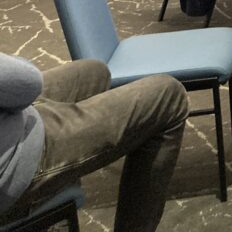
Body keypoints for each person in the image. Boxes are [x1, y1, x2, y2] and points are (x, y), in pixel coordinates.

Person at [0, 54, 189, 231]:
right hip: (17, 162)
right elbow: (29, 81)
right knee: (169, 97)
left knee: (95, 72)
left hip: (14, 119)